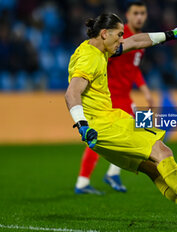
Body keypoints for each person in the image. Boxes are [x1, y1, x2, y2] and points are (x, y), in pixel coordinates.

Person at [65, 12, 177, 227]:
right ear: (104, 33)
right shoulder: (89, 58)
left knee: (153, 168)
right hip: (104, 125)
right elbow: (71, 93)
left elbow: (135, 41)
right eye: (119, 35)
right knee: (162, 152)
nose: (122, 39)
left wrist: (171, 34)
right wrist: (82, 125)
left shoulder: (97, 49)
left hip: (103, 127)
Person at [75, 1, 152, 194]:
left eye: (143, 13)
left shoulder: (137, 40)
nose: (139, 17)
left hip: (126, 96)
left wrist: (145, 90)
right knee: (103, 138)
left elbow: (133, 69)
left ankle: (108, 173)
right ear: (128, 14)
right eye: (136, 13)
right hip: (111, 96)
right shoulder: (117, 36)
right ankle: (91, 179)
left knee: (144, 127)